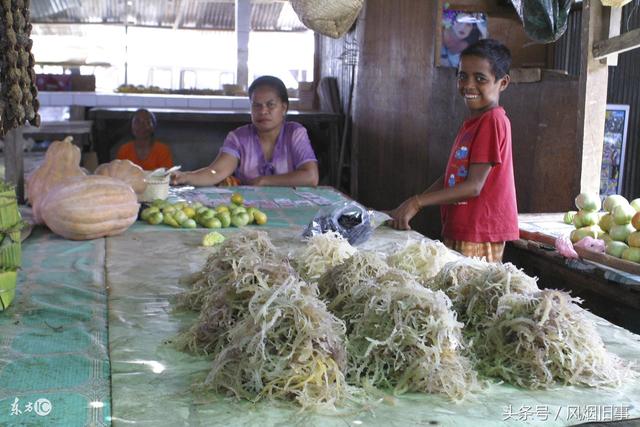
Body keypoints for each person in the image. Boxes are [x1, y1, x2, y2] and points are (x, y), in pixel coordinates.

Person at [389, 39, 518, 262]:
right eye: (462, 76)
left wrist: (417, 202)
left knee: (467, 293)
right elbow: (452, 178)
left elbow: (473, 187)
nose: (468, 85)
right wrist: (412, 203)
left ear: (503, 82)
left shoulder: (493, 121)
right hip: (463, 226)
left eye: (480, 79)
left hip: (479, 231)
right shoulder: (473, 123)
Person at [171, 76, 319, 187]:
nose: (263, 111)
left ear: (284, 108)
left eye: (270, 105)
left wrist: (264, 181)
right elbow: (215, 172)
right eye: (256, 106)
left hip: (292, 207)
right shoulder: (238, 137)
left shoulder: (295, 133)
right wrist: (187, 176)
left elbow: (311, 177)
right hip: (249, 208)